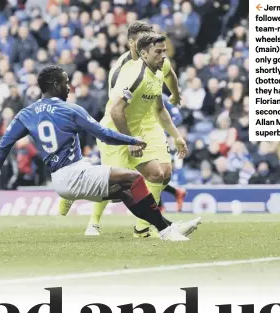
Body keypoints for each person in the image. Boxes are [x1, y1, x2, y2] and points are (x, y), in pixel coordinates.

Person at [0, 65, 196, 242]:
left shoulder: (25, 114)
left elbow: (3, 147)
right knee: (134, 178)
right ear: (55, 85)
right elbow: (103, 134)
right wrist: (132, 140)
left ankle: (167, 227)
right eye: (66, 82)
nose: (69, 86)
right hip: (74, 173)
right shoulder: (71, 110)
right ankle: (166, 231)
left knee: (123, 192)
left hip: (59, 180)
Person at [59, 21, 190, 237]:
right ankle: (79, 197)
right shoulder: (124, 72)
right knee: (116, 188)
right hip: (119, 127)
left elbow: (168, 77)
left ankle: (143, 227)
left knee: (161, 174)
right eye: (143, 40)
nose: (150, 43)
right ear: (133, 44)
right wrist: (129, 140)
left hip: (146, 121)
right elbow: (116, 110)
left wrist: (175, 96)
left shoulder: (157, 61)